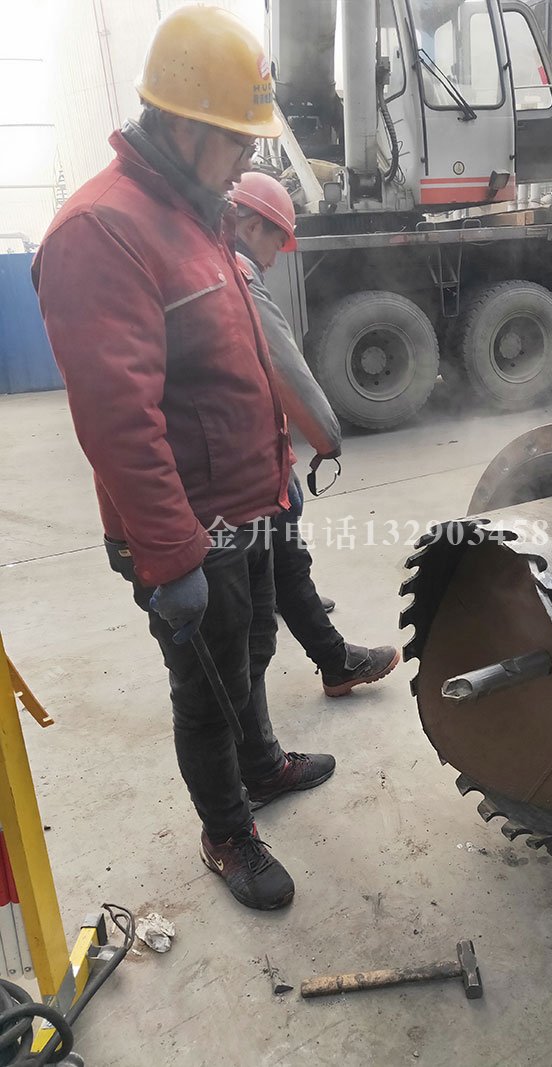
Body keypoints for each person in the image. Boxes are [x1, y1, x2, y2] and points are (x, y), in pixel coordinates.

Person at [31, 5, 336, 912]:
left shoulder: (197, 215)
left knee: (253, 646)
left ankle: (263, 766)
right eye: (237, 139)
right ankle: (227, 830)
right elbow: (118, 422)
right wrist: (170, 558)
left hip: (248, 504)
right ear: (185, 123)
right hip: (188, 527)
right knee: (206, 684)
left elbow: (238, 360)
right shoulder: (102, 230)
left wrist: (279, 474)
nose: (247, 160)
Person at [232, 171, 400, 697]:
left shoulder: (198, 260)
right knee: (283, 554)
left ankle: (311, 626)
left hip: (232, 451)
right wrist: (326, 439)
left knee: (279, 557)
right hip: (243, 457)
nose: (275, 257)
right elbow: (287, 371)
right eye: (276, 240)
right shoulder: (237, 273)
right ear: (250, 225)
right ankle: (335, 663)